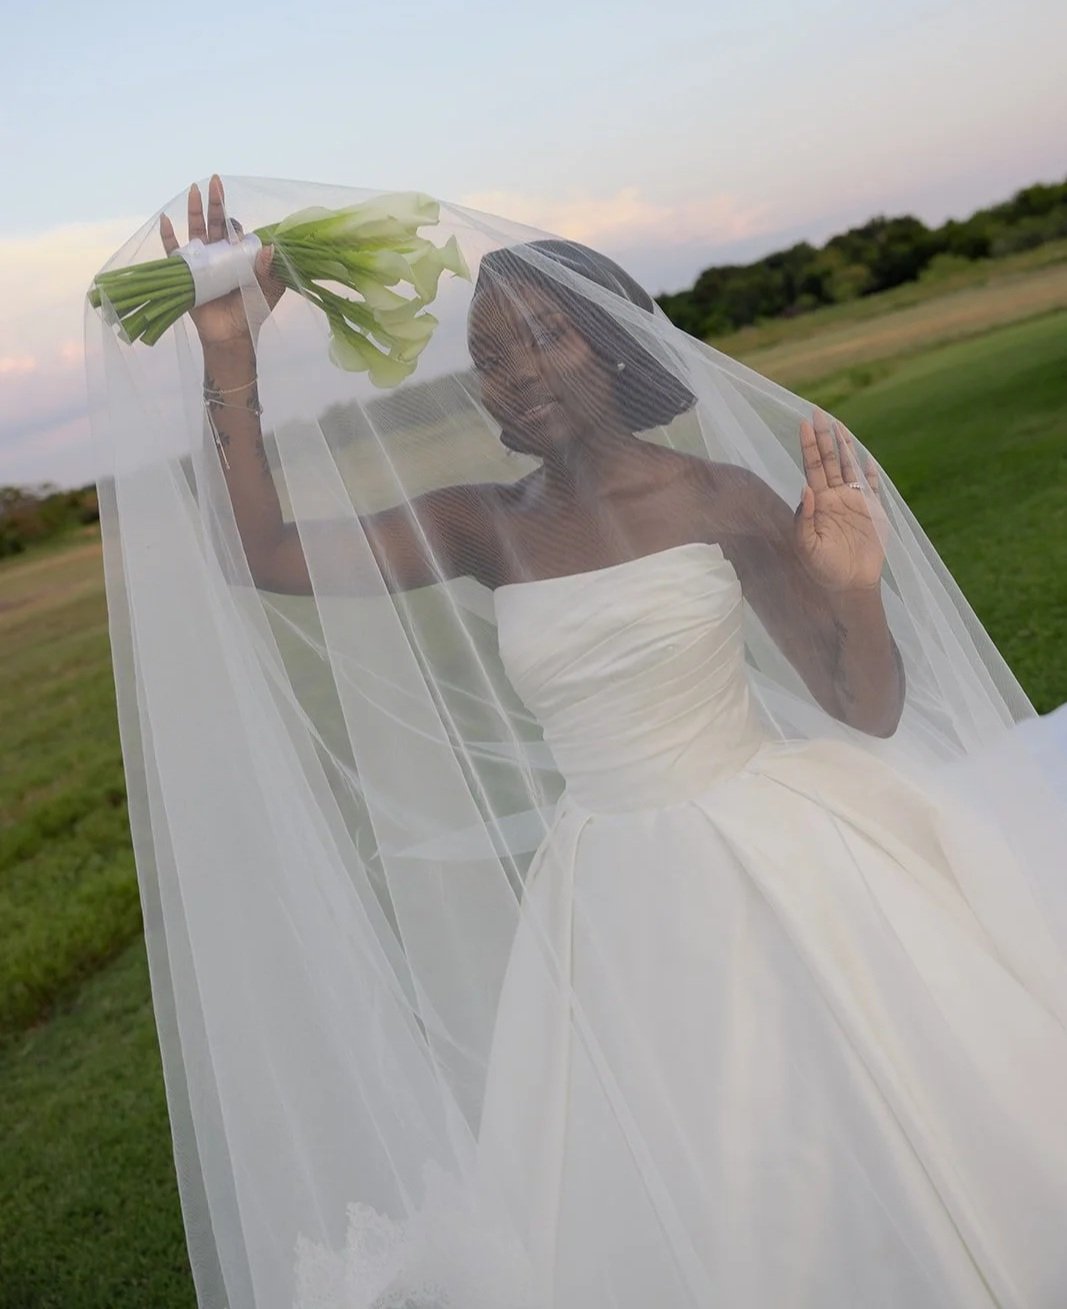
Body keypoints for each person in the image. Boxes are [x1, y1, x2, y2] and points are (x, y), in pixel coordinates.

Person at [94, 176, 1067, 1308]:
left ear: (610, 345)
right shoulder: (483, 524)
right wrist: (229, 355)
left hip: (779, 853)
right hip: (605, 894)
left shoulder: (724, 499)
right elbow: (256, 553)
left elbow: (864, 711)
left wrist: (851, 589)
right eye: (493, 354)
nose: (517, 369)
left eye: (546, 335)